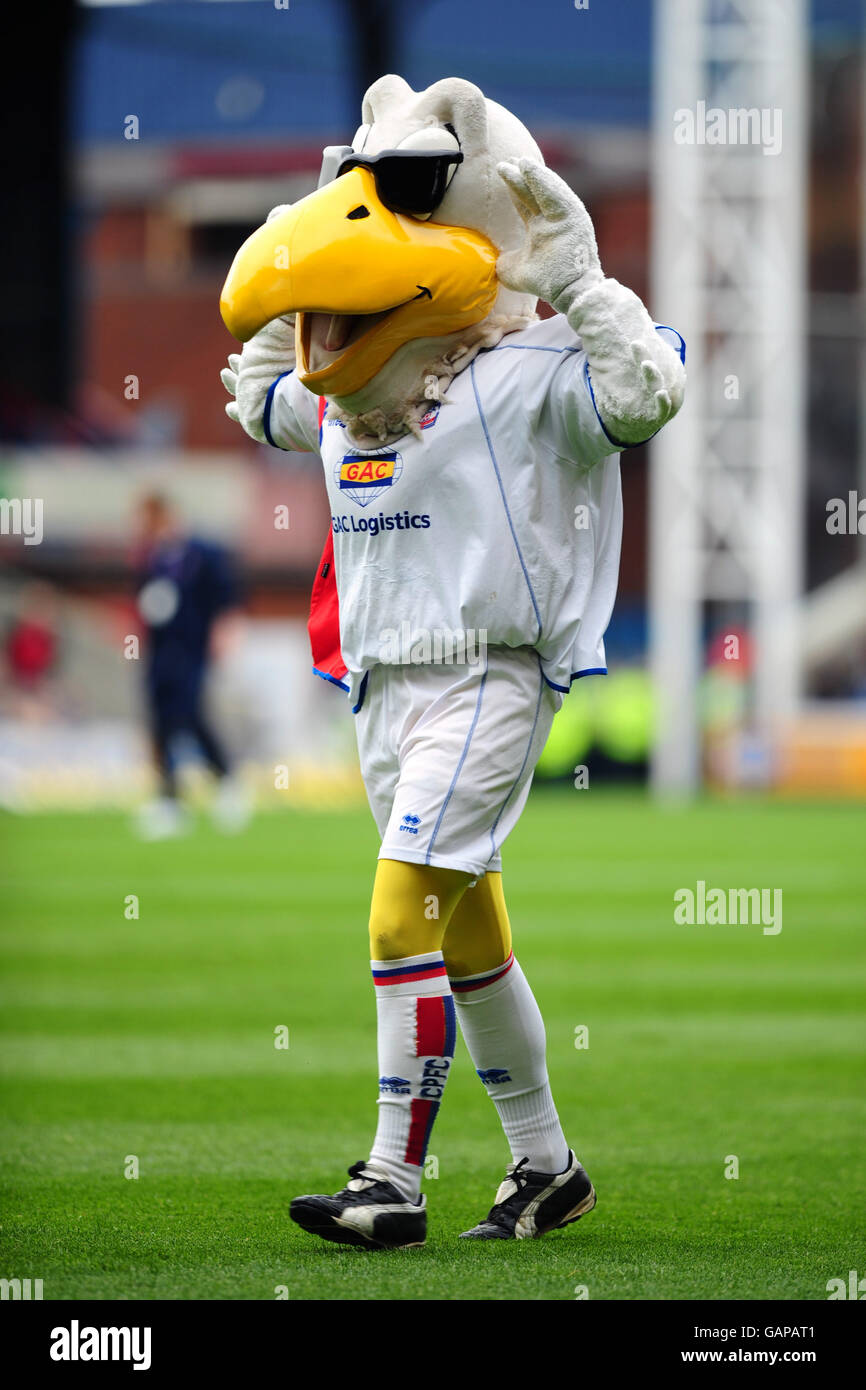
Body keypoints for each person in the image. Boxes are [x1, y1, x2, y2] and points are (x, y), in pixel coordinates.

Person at [221, 75, 685, 1247]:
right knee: (466, 930)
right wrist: (298, 287)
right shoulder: (347, 399)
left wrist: (575, 279)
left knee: (396, 915)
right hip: (382, 687)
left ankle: (390, 1179)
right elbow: (261, 397)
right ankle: (546, 1167)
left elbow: (646, 390)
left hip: (487, 673)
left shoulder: (532, 376)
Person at [133, 492, 248, 838]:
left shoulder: (202, 553)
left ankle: (225, 779)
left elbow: (227, 598)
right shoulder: (152, 559)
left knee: (189, 715)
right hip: (160, 653)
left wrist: (224, 634)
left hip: (193, 650)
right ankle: (170, 798)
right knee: (161, 720)